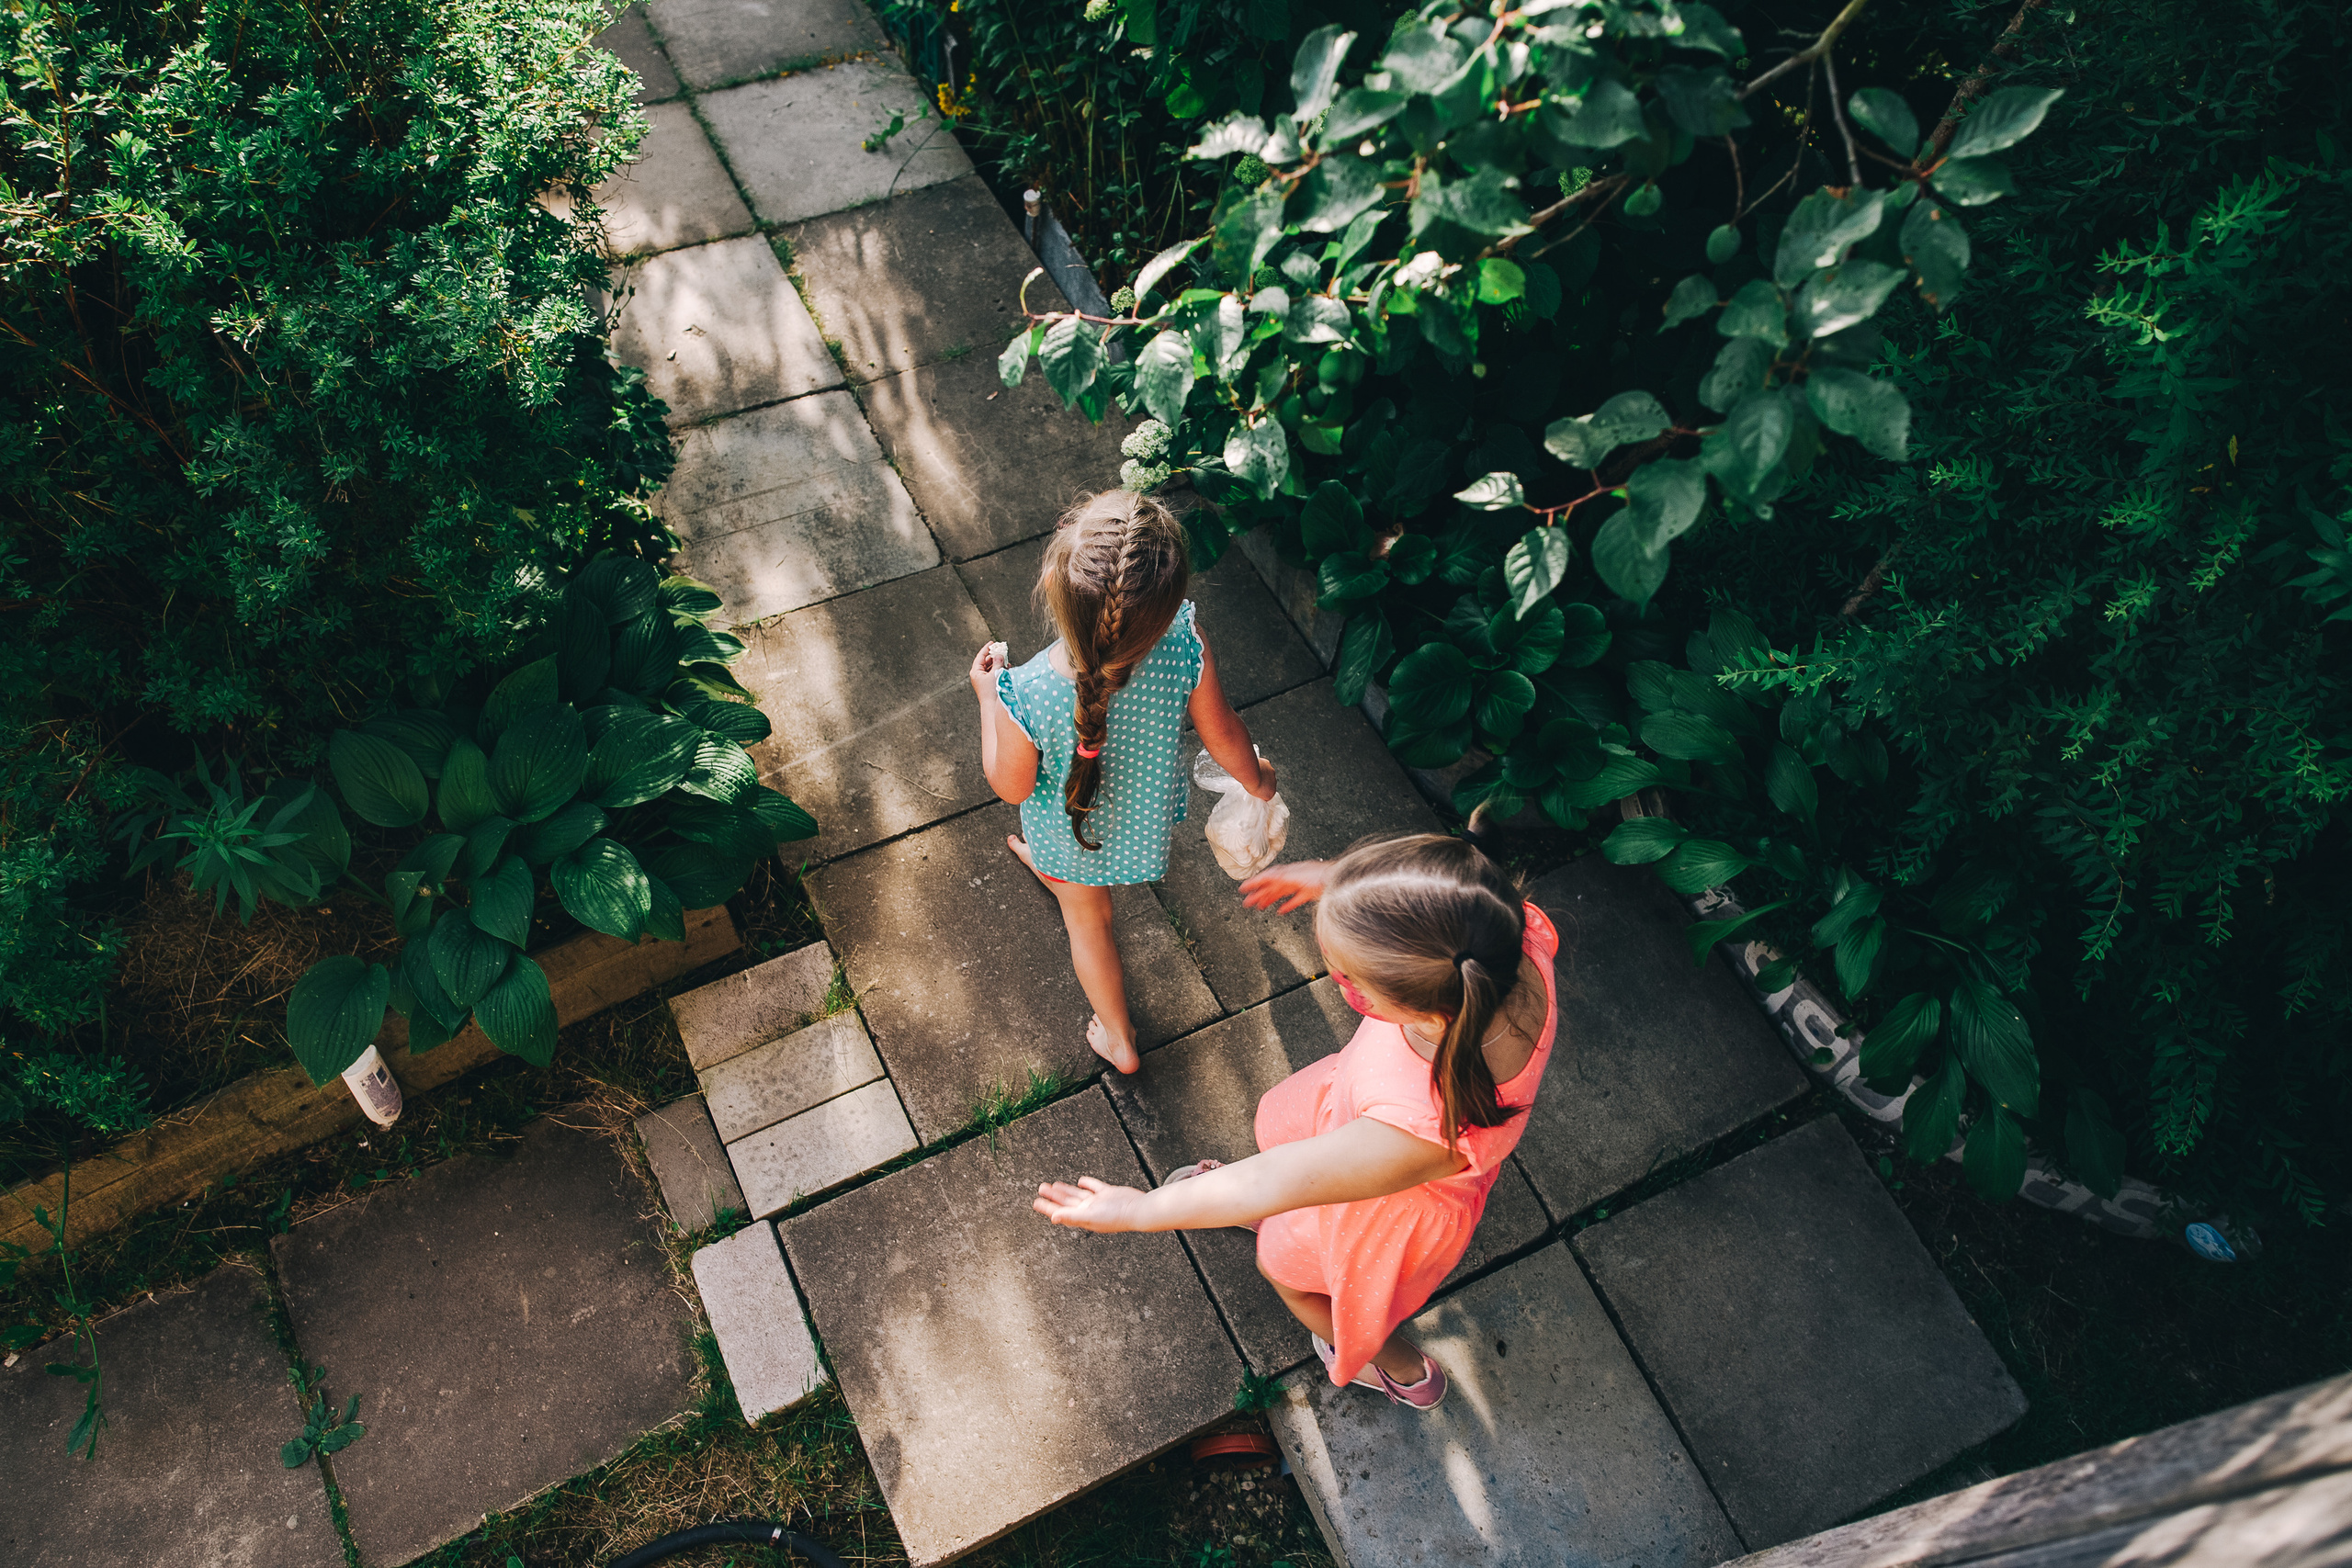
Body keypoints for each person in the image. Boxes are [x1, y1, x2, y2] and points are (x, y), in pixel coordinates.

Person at [1032, 827, 1559, 1409]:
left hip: (1383, 1211)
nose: (1340, 982)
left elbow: (1270, 1179)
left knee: (1295, 1275)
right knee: (1285, 1146)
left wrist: (1136, 1210)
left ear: (1423, 1010)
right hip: (1360, 1123)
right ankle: (1275, 1221)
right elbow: (1442, 902)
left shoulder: (1418, 1131)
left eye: (1349, 981)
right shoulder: (1506, 937)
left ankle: (1398, 1367)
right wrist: (1344, 885)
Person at [969, 491, 1275, 1073]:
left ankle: (1120, 1038)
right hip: (1140, 826)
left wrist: (989, 700)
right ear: (1167, 604)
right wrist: (1258, 781)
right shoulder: (1186, 643)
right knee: (1087, 903)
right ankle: (1061, 889)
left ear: (1056, 590)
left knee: (1089, 920)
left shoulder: (1027, 690)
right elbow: (1223, 733)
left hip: (1069, 840)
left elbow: (1010, 787)